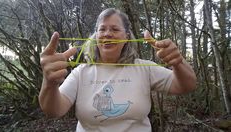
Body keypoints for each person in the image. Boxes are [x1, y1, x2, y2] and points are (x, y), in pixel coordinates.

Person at [39, 8, 197, 132]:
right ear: (96, 36)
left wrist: (178, 62)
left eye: (115, 29)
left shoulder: (144, 68)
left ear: (127, 37)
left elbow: (187, 85)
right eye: (102, 30)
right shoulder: (81, 72)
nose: (108, 34)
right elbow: (54, 110)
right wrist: (49, 83)